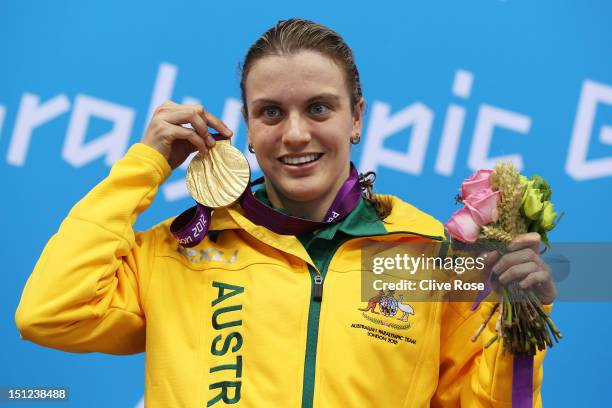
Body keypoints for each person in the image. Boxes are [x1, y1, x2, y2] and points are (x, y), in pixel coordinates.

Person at [15, 19, 556, 407]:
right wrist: (147, 164)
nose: (295, 133)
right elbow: (50, 313)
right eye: (271, 112)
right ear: (248, 128)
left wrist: (520, 325)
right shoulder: (181, 249)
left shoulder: (426, 255)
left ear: (356, 118)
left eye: (319, 108)